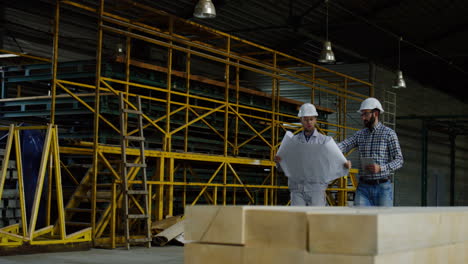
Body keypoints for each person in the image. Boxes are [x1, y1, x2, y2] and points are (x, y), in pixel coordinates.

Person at [338, 97, 403, 206]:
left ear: (376, 113)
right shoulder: (360, 134)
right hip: (363, 187)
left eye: (365, 114)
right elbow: (344, 145)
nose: (363, 118)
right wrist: (327, 146)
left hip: (383, 188)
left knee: (384, 222)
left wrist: (381, 168)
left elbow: (399, 160)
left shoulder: (389, 134)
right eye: (362, 115)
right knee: (361, 221)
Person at [275, 103, 334, 206]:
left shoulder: (325, 141)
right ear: (301, 120)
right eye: (306, 119)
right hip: (297, 189)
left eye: (311, 119)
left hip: (316, 189)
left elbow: (332, 165)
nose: (309, 122)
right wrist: (279, 162)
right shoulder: (292, 141)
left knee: (316, 219)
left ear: (315, 120)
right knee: (297, 220)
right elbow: (283, 169)